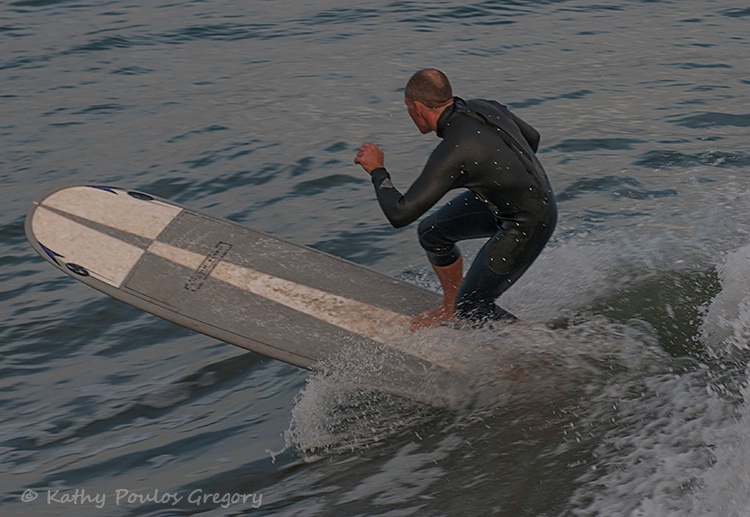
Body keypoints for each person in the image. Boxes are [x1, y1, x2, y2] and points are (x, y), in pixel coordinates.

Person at [354, 69, 557, 330]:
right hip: (520, 200)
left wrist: (377, 171)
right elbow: (533, 138)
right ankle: (450, 309)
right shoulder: (484, 107)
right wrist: (498, 178)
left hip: (529, 223)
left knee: (473, 307)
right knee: (432, 233)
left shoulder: (455, 151)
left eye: (407, 109)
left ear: (417, 108)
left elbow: (400, 213)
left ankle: (539, 350)